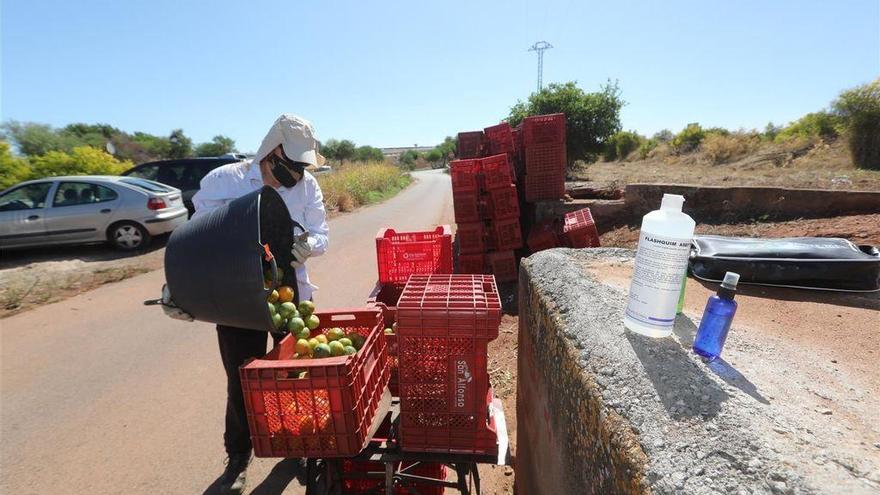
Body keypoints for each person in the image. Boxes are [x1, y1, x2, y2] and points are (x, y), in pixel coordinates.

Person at [160, 114, 329, 495]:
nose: (296, 175)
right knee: (241, 382)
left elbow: (322, 234)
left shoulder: (307, 186)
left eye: (302, 168)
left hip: (292, 295)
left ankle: (303, 447)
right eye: (291, 165)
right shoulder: (224, 181)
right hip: (237, 297)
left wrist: (308, 245)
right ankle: (238, 458)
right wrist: (178, 286)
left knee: (297, 375)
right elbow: (197, 239)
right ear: (272, 151)